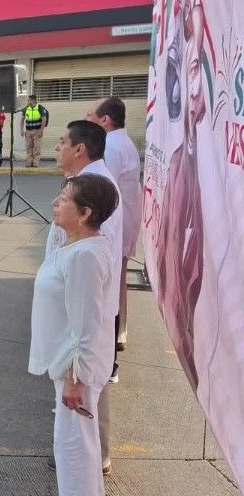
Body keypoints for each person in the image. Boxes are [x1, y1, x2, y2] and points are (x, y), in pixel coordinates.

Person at [29, 174, 119, 496]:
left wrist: (75, 377)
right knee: (74, 440)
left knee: (74, 442)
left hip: (75, 367)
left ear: (84, 213)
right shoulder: (77, 245)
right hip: (67, 363)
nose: (56, 202)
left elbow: (86, 325)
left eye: (64, 199)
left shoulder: (85, 255)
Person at [47, 120, 122, 476]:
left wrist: (75, 373)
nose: (57, 146)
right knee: (72, 430)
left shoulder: (96, 190)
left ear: (79, 149)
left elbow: (88, 302)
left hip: (80, 330)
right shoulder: (87, 184)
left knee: (81, 427)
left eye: (62, 141)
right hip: (73, 326)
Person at [87, 97, 141, 363]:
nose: (87, 121)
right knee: (116, 285)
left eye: (90, 117)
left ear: (104, 120)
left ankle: (107, 351)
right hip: (124, 226)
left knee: (107, 290)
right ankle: (118, 336)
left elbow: (103, 193)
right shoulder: (121, 142)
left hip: (113, 229)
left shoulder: (111, 146)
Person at [21, 94, 49, 168]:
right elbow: (22, 120)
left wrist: (41, 130)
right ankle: (29, 161)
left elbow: (44, 119)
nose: (27, 101)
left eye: (28, 100)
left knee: (37, 147)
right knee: (28, 147)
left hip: (37, 130)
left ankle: (36, 162)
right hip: (28, 131)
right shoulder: (26, 108)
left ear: (33, 100)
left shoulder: (40, 108)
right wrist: (21, 130)